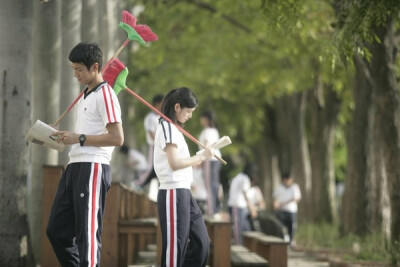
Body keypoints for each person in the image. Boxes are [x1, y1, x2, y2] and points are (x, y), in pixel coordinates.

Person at [46, 42, 124, 266]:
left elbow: (117, 138)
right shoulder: (85, 95)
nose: (75, 74)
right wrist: (60, 135)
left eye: (79, 69)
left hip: (93, 167)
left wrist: (78, 138)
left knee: (87, 234)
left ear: (95, 67)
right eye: (73, 69)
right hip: (74, 166)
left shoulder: (106, 94)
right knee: (56, 230)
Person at [153, 87, 214, 267]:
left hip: (184, 192)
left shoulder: (175, 129)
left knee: (202, 243)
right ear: (177, 107)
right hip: (172, 191)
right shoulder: (166, 127)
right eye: (188, 112)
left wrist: (198, 157)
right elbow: (174, 163)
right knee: (175, 249)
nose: (190, 116)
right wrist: (200, 157)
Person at [136, 94, 164, 188]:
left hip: (161, 148)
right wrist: (160, 143)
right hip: (154, 146)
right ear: (157, 103)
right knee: (151, 168)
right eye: (162, 103)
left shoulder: (161, 118)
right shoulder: (150, 117)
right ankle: (138, 182)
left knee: (160, 169)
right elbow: (151, 133)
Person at [227, 162, 258, 245]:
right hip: (236, 206)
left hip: (239, 207)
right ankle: (239, 246)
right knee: (238, 229)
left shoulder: (239, 177)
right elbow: (245, 194)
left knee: (246, 228)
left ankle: (245, 245)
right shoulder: (244, 178)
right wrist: (252, 208)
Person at [198, 110, 222, 215]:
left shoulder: (207, 131)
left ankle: (211, 210)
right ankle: (215, 208)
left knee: (209, 184)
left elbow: (206, 144)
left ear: (206, 119)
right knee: (214, 184)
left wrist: (200, 159)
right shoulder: (215, 131)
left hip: (209, 159)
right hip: (216, 160)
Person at [273, 173, 302, 247]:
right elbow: (275, 197)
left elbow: (297, 198)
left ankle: (291, 241)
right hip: (282, 211)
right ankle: (281, 241)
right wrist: (276, 204)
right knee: (281, 227)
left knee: (292, 227)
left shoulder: (295, 187)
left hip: (291, 211)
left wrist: (284, 203)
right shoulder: (280, 188)